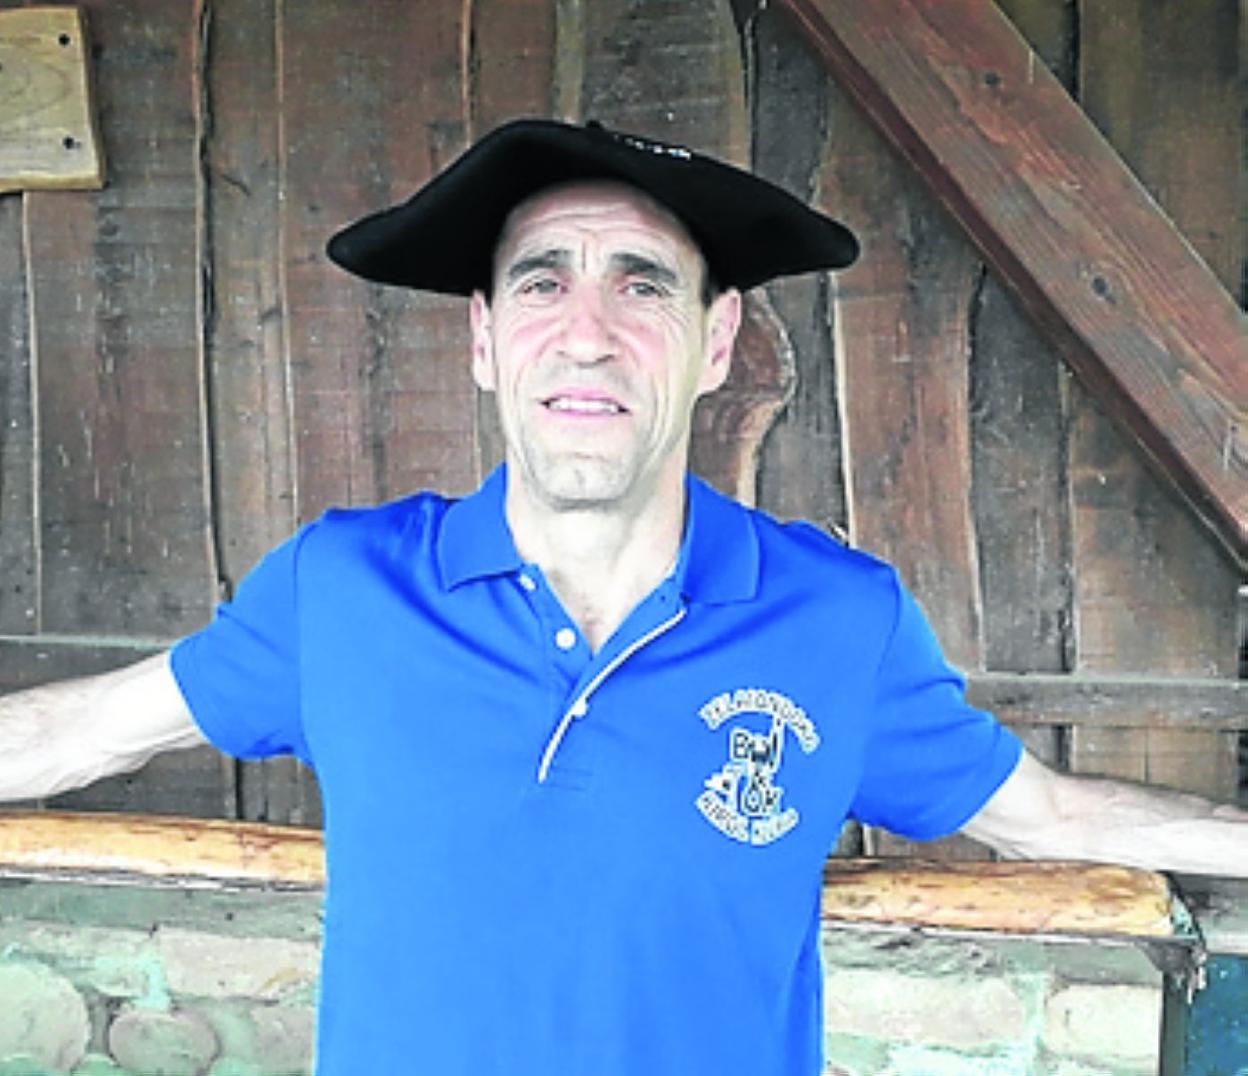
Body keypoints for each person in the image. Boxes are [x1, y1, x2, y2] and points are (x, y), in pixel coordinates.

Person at [1, 118, 1244, 1075]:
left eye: (643, 284)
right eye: (543, 282)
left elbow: (1043, 812)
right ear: (484, 337)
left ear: (718, 342)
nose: (588, 332)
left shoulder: (836, 617)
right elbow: (79, 730)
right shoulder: (344, 588)